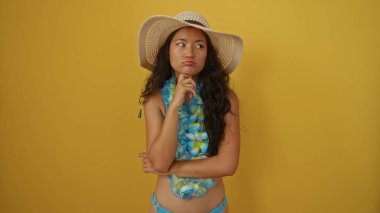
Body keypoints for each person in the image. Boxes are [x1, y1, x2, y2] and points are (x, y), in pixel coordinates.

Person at [137, 11, 243, 213]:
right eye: (181, 44)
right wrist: (175, 105)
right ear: (167, 51)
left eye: (199, 45)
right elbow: (159, 160)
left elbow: (227, 165)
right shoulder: (155, 100)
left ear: (207, 55)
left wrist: (171, 168)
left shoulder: (226, 99)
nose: (189, 53)